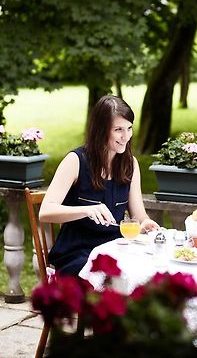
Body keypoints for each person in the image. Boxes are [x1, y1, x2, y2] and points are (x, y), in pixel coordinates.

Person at [40, 94, 160, 276]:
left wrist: (147, 223)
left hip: (115, 249)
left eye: (129, 128)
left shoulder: (130, 164)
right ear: (101, 130)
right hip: (77, 254)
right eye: (118, 129)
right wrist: (87, 210)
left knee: (149, 272)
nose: (126, 136)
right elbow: (45, 212)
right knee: (113, 278)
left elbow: (139, 216)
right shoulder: (75, 161)